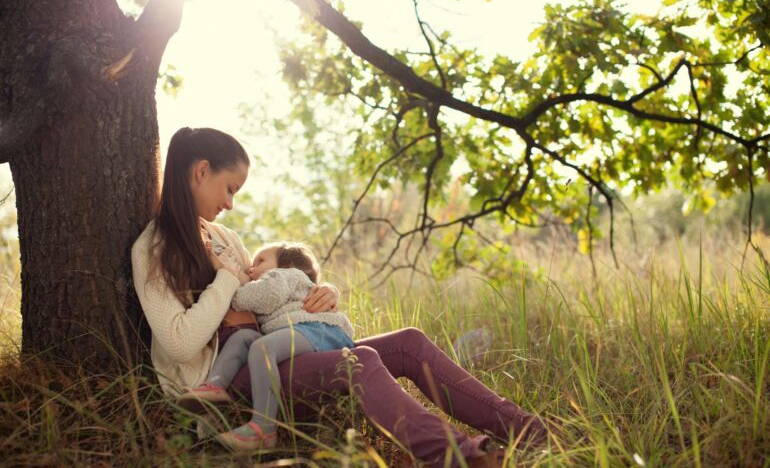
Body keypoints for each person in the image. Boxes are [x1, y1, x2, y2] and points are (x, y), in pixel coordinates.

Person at [131, 127, 549, 468]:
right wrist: (223, 282)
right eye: (229, 188)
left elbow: (267, 288)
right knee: (359, 361)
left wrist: (320, 288)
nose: (231, 203)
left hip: (276, 353)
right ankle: (460, 457)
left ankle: (529, 432)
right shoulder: (153, 248)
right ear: (201, 170)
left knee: (408, 342)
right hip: (232, 381)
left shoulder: (224, 237)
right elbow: (181, 343)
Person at [177, 241, 355, 450]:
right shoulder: (277, 284)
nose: (252, 268)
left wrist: (230, 279)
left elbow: (264, 296)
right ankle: (215, 385)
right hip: (298, 331)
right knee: (244, 337)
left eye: (260, 261)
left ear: (287, 266)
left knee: (262, 348)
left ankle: (264, 429)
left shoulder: (284, 276)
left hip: (319, 329)